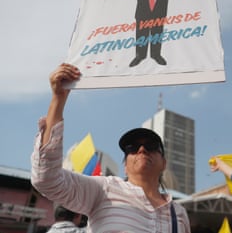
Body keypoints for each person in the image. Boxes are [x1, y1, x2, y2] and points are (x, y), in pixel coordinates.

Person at [31, 63, 191, 232]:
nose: (142, 150)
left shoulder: (178, 213)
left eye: (151, 146)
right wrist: (58, 98)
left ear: (164, 163)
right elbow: (46, 179)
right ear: (125, 166)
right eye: (132, 147)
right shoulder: (103, 189)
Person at [119, 0, 194, 67]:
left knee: (156, 37)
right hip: (142, 18)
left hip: (158, 18)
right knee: (141, 37)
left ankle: (156, 55)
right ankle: (140, 56)